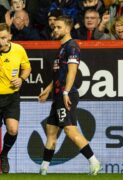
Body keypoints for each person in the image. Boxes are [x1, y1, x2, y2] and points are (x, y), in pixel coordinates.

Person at [38, 16, 101, 175]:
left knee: (69, 130)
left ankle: (94, 162)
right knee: (51, 131)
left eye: (59, 27)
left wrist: (65, 92)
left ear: (67, 28)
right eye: (54, 27)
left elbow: (72, 72)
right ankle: (43, 169)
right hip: (58, 95)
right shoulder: (62, 48)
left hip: (67, 95)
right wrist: (48, 89)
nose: (55, 30)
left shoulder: (72, 47)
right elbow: (61, 73)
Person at [0, 23, 31, 175]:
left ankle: (4, 155)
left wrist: (22, 78)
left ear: (10, 36)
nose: (0, 41)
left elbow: (27, 67)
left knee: (13, 129)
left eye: (3, 38)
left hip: (11, 97)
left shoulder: (18, 49)